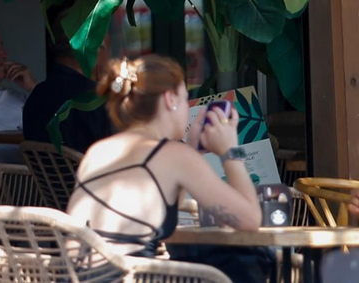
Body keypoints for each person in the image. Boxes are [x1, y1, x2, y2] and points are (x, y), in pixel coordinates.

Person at [67, 56, 266, 283]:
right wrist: (230, 151)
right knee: (253, 260)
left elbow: (161, 210)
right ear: (170, 99)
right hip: (129, 278)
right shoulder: (172, 155)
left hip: (78, 277)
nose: (186, 106)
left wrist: (193, 150)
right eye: (184, 98)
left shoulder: (97, 152)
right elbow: (250, 221)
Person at [22, 40, 114, 152]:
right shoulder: (97, 98)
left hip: (42, 169)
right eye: (105, 49)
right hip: (91, 168)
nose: (109, 58)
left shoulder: (36, 95)